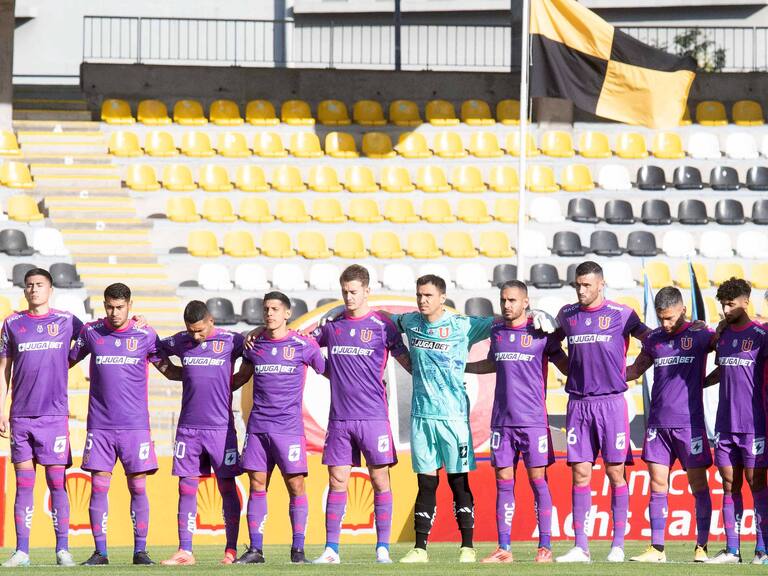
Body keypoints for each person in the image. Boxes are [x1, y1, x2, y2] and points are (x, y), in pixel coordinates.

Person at [69, 283, 178, 565]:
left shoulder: (145, 334)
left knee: (138, 487)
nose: (114, 312)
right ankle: (100, 552)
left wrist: (203, 373)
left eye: (119, 307)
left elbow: (167, 369)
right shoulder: (92, 332)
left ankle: (140, 551)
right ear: (104, 305)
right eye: (109, 307)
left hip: (135, 427)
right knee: (98, 487)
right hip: (101, 427)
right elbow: (66, 360)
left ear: (130, 305)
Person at [390, 275, 495, 564]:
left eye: (427, 295)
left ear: (442, 297)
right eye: (419, 295)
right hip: (422, 416)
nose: (422, 300)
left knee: (458, 481)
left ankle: (467, 547)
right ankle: (420, 548)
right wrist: (339, 316)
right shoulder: (411, 322)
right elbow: (385, 319)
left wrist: (533, 313)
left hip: (454, 418)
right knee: (425, 483)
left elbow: (501, 322)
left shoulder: (462, 326)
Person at [311, 265, 411, 564]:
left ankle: (382, 548)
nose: (349, 297)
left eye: (354, 291)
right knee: (337, 479)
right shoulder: (332, 325)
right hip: (340, 418)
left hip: (374, 417)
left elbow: (406, 359)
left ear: (367, 290)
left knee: (380, 479)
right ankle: (331, 549)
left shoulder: (383, 326)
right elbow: (301, 345)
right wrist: (327, 369)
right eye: (344, 292)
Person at [554, 261, 650, 563]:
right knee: (580, 474)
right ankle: (580, 546)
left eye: (586, 285)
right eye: (577, 285)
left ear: (600, 284)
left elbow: (656, 342)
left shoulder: (622, 315)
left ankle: (618, 545)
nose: (581, 290)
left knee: (615, 472)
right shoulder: (567, 315)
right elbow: (549, 346)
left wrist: (633, 371)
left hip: (611, 404)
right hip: (579, 404)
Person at [465, 280, 568, 563]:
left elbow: (567, 365)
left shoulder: (541, 332)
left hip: (533, 421)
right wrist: (463, 367)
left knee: (538, 480)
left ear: (525, 302)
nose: (507, 305)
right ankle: (504, 549)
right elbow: (492, 363)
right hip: (502, 422)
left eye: (512, 300)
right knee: (503, 481)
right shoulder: (497, 331)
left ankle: (545, 547)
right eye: (503, 300)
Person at [624, 287, 715, 563]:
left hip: (690, 425)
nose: (665, 324)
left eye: (670, 318)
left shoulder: (700, 335)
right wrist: (601, 373)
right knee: (657, 484)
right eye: (661, 318)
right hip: (658, 425)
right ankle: (657, 548)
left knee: (698, 484)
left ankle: (702, 546)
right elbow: (635, 370)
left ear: (683, 310)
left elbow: (729, 345)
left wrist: (706, 381)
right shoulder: (654, 339)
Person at [234, 292, 326, 564]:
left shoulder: (303, 345)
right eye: (266, 309)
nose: (270, 313)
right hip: (259, 427)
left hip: (288, 429)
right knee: (257, 484)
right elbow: (242, 376)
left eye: (275, 309)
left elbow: (328, 371)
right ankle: (255, 550)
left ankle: (298, 551)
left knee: (296, 485)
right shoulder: (254, 344)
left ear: (287, 313)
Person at [0, 268, 83, 567]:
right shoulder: (12, 323)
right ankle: (22, 551)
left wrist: (66, 362)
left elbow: (95, 336)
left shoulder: (65, 320)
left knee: (56, 481)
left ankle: (63, 550)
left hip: (53, 416)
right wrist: (1, 408)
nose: (34, 289)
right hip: (21, 416)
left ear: (50, 289)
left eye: (39, 285)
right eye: (29, 285)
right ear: (24, 291)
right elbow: (3, 369)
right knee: (24, 484)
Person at [158, 300, 245, 566]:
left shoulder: (233, 341)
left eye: (200, 330)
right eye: (191, 331)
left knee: (227, 486)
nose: (195, 336)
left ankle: (231, 550)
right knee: (186, 487)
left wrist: (234, 382)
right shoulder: (181, 341)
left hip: (220, 428)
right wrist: (171, 372)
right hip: (188, 428)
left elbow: (253, 354)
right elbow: (153, 348)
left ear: (211, 321)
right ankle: (185, 550)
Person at [704, 277, 768, 564]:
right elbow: (723, 371)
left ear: (746, 302)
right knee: (729, 484)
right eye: (722, 304)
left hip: (754, 424)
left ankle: (763, 549)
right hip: (725, 423)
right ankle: (732, 550)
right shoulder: (724, 336)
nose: (726, 309)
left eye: (731, 304)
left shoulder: (761, 335)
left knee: (757, 483)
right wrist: (699, 384)